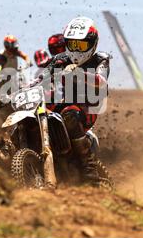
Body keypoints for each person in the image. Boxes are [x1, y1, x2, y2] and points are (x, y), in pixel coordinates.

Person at [40, 17, 110, 186]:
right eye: (73, 45)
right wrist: (11, 95)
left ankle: (89, 169)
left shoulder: (101, 59)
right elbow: (41, 79)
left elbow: (101, 80)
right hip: (66, 102)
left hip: (88, 107)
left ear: (92, 43)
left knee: (69, 113)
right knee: (41, 110)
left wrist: (78, 73)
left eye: (81, 45)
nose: (77, 50)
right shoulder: (60, 59)